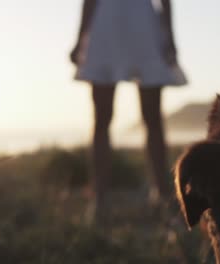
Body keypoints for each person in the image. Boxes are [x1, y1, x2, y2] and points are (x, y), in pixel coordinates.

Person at [70, 0, 187, 224]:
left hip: (139, 23)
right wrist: (80, 38)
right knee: (104, 117)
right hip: (109, 24)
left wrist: (170, 37)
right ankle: (100, 199)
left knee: (150, 116)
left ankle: (162, 195)